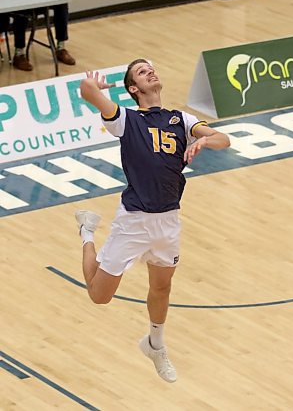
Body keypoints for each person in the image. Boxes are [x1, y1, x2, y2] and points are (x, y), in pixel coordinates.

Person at [75, 59, 230, 382]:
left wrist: (203, 139)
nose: (151, 72)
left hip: (169, 219)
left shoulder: (180, 119)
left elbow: (223, 139)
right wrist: (95, 88)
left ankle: (155, 345)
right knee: (99, 296)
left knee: (162, 287)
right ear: (134, 88)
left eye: (152, 68)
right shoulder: (125, 120)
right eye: (143, 72)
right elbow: (86, 90)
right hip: (133, 221)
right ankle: (87, 232)